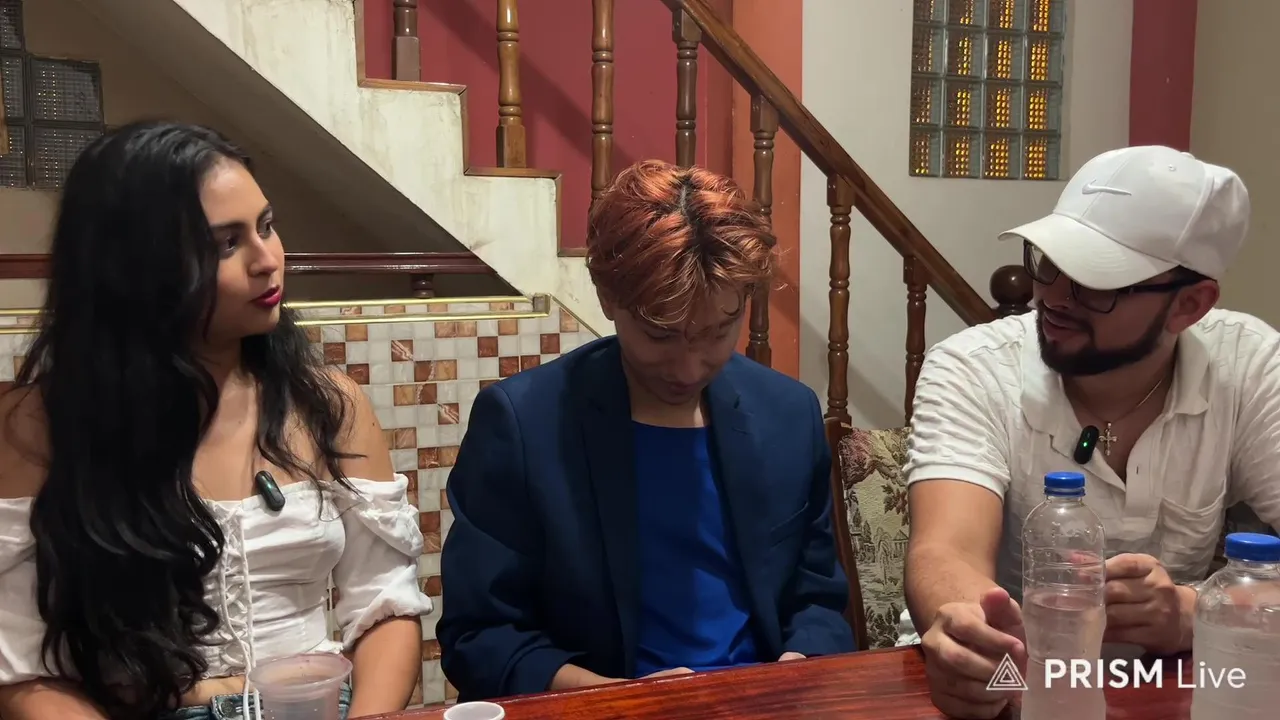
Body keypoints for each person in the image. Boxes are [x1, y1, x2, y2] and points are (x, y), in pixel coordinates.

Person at [0, 122, 433, 720]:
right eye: (227, 244)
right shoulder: (35, 425)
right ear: (135, 268)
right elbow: (21, 669)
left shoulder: (329, 404)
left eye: (267, 226)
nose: (268, 260)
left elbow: (387, 606)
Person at [436, 159, 854, 701]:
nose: (689, 367)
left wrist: (798, 670)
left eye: (719, 331)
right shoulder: (524, 425)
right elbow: (478, 635)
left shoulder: (788, 414)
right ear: (607, 296)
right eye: (661, 335)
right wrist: (615, 698)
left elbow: (818, 600)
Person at [899, 145, 1280, 719]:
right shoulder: (973, 367)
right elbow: (945, 548)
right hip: (1013, 682)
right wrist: (972, 634)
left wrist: (1192, 612)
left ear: (1189, 305)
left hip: (1173, 686)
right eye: (1049, 261)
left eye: (1097, 282)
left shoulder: (1250, 368)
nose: (1053, 296)